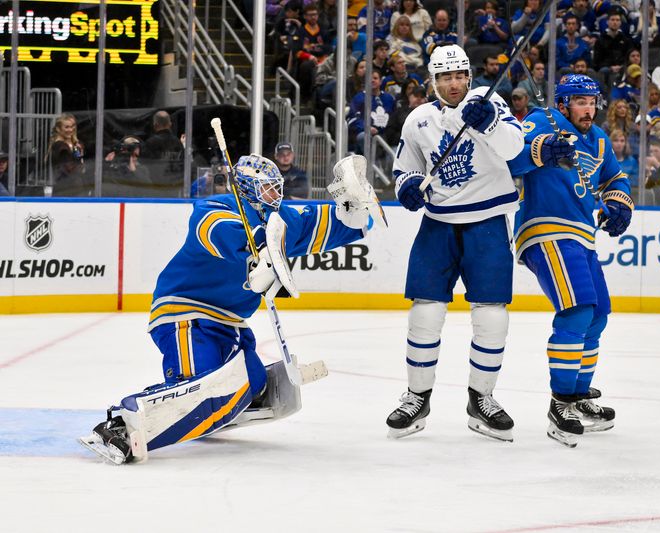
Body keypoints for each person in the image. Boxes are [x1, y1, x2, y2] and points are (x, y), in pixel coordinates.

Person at [80, 153, 379, 464]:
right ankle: (120, 423)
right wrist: (257, 252)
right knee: (207, 388)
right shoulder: (215, 208)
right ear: (248, 189)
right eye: (268, 189)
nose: (276, 195)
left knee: (252, 382)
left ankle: (226, 401)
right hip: (186, 314)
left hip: (231, 324)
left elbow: (336, 225)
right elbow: (219, 232)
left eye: (277, 188)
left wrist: (354, 209)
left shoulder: (283, 219)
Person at [386, 44, 524, 442]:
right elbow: (405, 167)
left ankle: (481, 398)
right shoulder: (418, 120)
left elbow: (514, 149)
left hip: (487, 223)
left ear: (469, 76)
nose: (453, 84)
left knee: (492, 316)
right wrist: (408, 186)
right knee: (425, 314)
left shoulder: (489, 102)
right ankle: (417, 396)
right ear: (433, 80)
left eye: (459, 75)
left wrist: (490, 125)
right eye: (444, 77)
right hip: (439, 225)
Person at [507, 74, 632, 447]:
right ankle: (560, 402)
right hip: (545, 228)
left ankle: (577, 397)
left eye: (592, 101)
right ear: (563, 105)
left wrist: (619, 204)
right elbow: (510, 159)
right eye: (580, 101)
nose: (589, 108)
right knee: (577, 310)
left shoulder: (598, 139)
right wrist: (543, 149)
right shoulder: (542, 121)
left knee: (597, 315)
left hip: (582, 235)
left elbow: (616, 178)